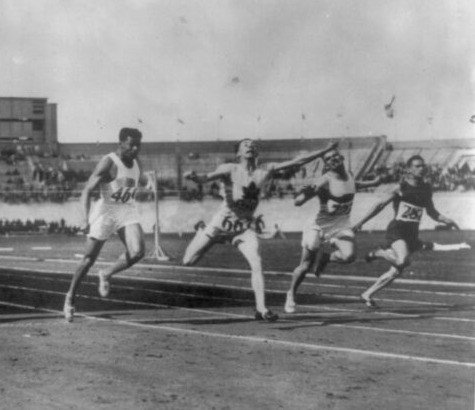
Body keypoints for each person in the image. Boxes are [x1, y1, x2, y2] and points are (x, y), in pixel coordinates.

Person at [182, 138, 337, 321]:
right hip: (220, 225)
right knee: (188, 262)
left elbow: (298, 161)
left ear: (257, 153)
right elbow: (204, 178)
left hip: (243, 228)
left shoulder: (266, 169)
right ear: (238, 153)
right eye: (245, 145)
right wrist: (193, 176)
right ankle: (205, 233)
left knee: (257, 262)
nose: (250, 147)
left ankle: (261, 309)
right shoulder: (229, 169)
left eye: (253, 145)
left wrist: (324, 149)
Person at [352, 155, 459, 307]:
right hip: (398, 230)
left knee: (396, 271)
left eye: (423, 166)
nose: (421, 169)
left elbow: (432, 212)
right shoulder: (400, 188)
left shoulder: (426, 188)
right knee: (402, 260)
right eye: (417, 166)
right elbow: (379, 205)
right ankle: (380, 252)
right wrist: (361, 222)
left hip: (412, 234)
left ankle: (366, 294)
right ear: (409, 169)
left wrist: (447, 220)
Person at [63, 127, 146, 322]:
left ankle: (106, 273)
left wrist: (146, 181)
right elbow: (86, 191)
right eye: (131, 145)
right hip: (106, 211)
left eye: (138, 146)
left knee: (138, 252)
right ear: (121, 143)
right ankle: (70, 298)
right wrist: (85, 219)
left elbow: (134, 179)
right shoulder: (108, 162)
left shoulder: (136, 161)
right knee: (88, 259)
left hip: (126, 209)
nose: (135, 149)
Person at [284, 148, 381, 313]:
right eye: (329, 158)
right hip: (318, 225)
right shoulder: (324, 180)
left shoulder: (349, 175)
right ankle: (291, 293)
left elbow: (354, 185)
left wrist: (375, 182)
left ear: (341, 157)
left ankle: (326, 258)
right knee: (306, 265)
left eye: (335, 155)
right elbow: (298, 202)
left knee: (349, 256)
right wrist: (304, 194)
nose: (333, 159)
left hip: (340, 224)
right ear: (327, 164)